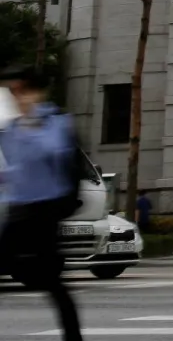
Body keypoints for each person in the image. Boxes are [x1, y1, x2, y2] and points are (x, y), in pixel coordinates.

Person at [0, 68, 83, 341]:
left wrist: (32, 123)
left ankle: (73, 337)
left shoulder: (57, 123)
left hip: (46, 210)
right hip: (17, 211)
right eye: (13, 92)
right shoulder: (12, 128)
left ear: (37, 92)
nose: (16, 97)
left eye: (21, 91)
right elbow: (18, 168)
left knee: (53, 284)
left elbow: (58, 156)